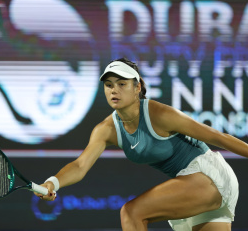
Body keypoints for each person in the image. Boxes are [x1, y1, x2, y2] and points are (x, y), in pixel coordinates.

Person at [37, 57, 247, 231]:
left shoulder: (159, 114)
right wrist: (52, 183)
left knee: (131, 212)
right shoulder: (106, 129)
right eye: (109, 85)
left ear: (137, 87)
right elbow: (80, 166)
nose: (114, 90)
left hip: (208, 176)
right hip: (194, 188)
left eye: (121, 84)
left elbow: (219, 137)